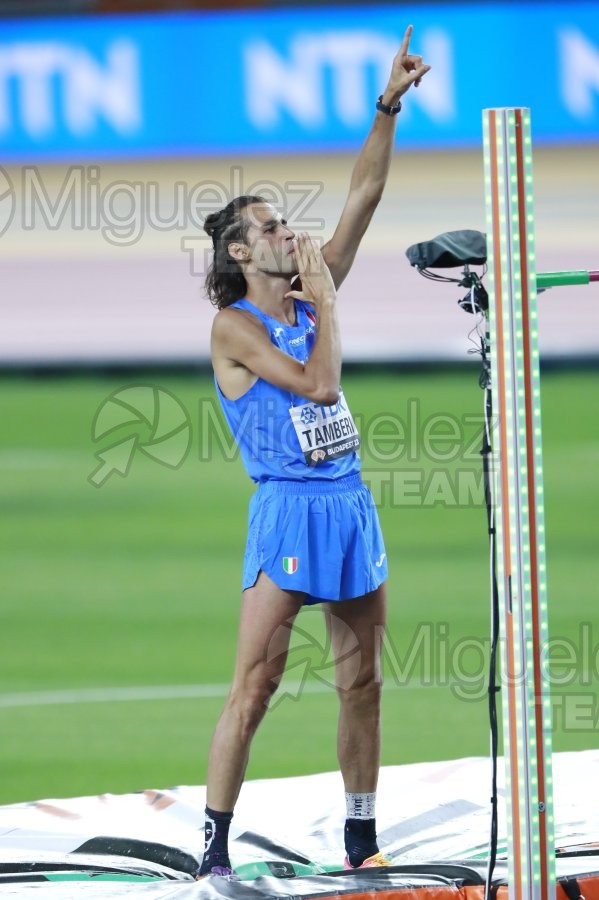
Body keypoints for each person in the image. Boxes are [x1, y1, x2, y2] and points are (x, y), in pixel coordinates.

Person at [197, 26, 430, 879]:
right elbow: (320, 386)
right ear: (238, 251)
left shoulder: (309, 288)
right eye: (271, 226)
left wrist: (387, 105)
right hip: (289, 506)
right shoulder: (237, 325)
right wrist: (327, 302)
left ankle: (360, 837)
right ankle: (214, 845)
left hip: (347, 501)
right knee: (254, 686)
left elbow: (363, 195)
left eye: (287, 221)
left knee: (362, 681)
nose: (288, 233)